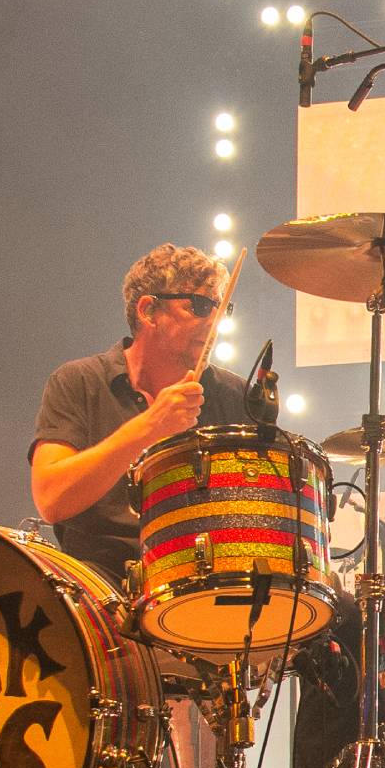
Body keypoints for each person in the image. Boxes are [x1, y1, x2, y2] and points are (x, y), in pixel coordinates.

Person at [30, 244, 250, 578]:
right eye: (201, 306)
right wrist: (149, 427)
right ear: (148, 311)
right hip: (99, 580)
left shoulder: (235, 396)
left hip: (204, 579)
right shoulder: (79, 381)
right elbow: (51, 500)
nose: (216, 321)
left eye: (223, 308)